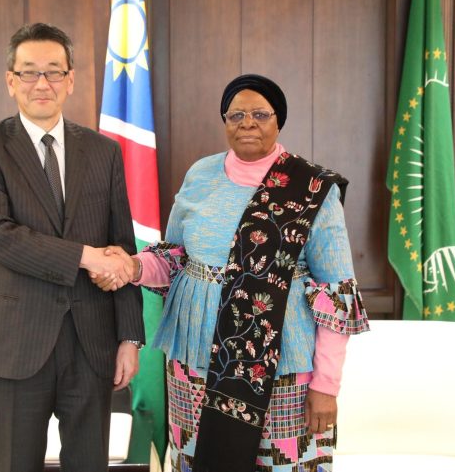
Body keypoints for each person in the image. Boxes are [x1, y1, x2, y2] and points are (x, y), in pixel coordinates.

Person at [92, 74, 370, 472]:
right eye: (236, 115)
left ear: (278, 121)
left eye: (260, 114)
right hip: (194, 361)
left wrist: (326, 385)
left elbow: (336, 292)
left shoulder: (312, 188)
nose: (247, 123)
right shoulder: (200, 175)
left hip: (282, 368)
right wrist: (133, 266)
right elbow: (175, 258)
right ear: (224, 121)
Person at [0, 22, 145, 472]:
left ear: (70, 79)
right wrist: (86, 256)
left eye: (54, 71)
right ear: (11, 81)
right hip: (16, 340)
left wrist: (129, 337)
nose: (41, 83)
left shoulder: (103, 151)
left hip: (92, 339)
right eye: (29, 72)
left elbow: (122, 245)